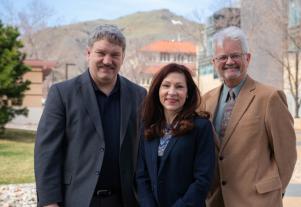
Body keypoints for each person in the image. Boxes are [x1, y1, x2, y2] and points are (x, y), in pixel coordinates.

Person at [34, 24, 146, 207]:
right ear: (88, 54)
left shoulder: (139, 95)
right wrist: (49, 202)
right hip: (76, 200)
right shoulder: (62, 94)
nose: (107, 61)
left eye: (115, 55)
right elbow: (47, 153)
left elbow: (144, 152)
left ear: (123, 57)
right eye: (101, 53)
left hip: (124, 200)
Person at [201, 26, 297, 207]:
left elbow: (287, 155)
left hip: (257, 201)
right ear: (214, 62)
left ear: (248, 58)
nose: (229, 61)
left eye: (235, 55)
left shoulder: (270, 97)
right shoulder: (205, 101)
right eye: (223, 57)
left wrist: (273, 194)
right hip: (216, 201)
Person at [136, 63, 216, 207]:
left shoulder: (201, 127)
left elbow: (202, 180)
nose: (172, 92)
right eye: (166, 85)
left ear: (188, 94)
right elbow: (141, 176)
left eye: (179, 87)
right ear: (157, 90)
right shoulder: (148, 127)